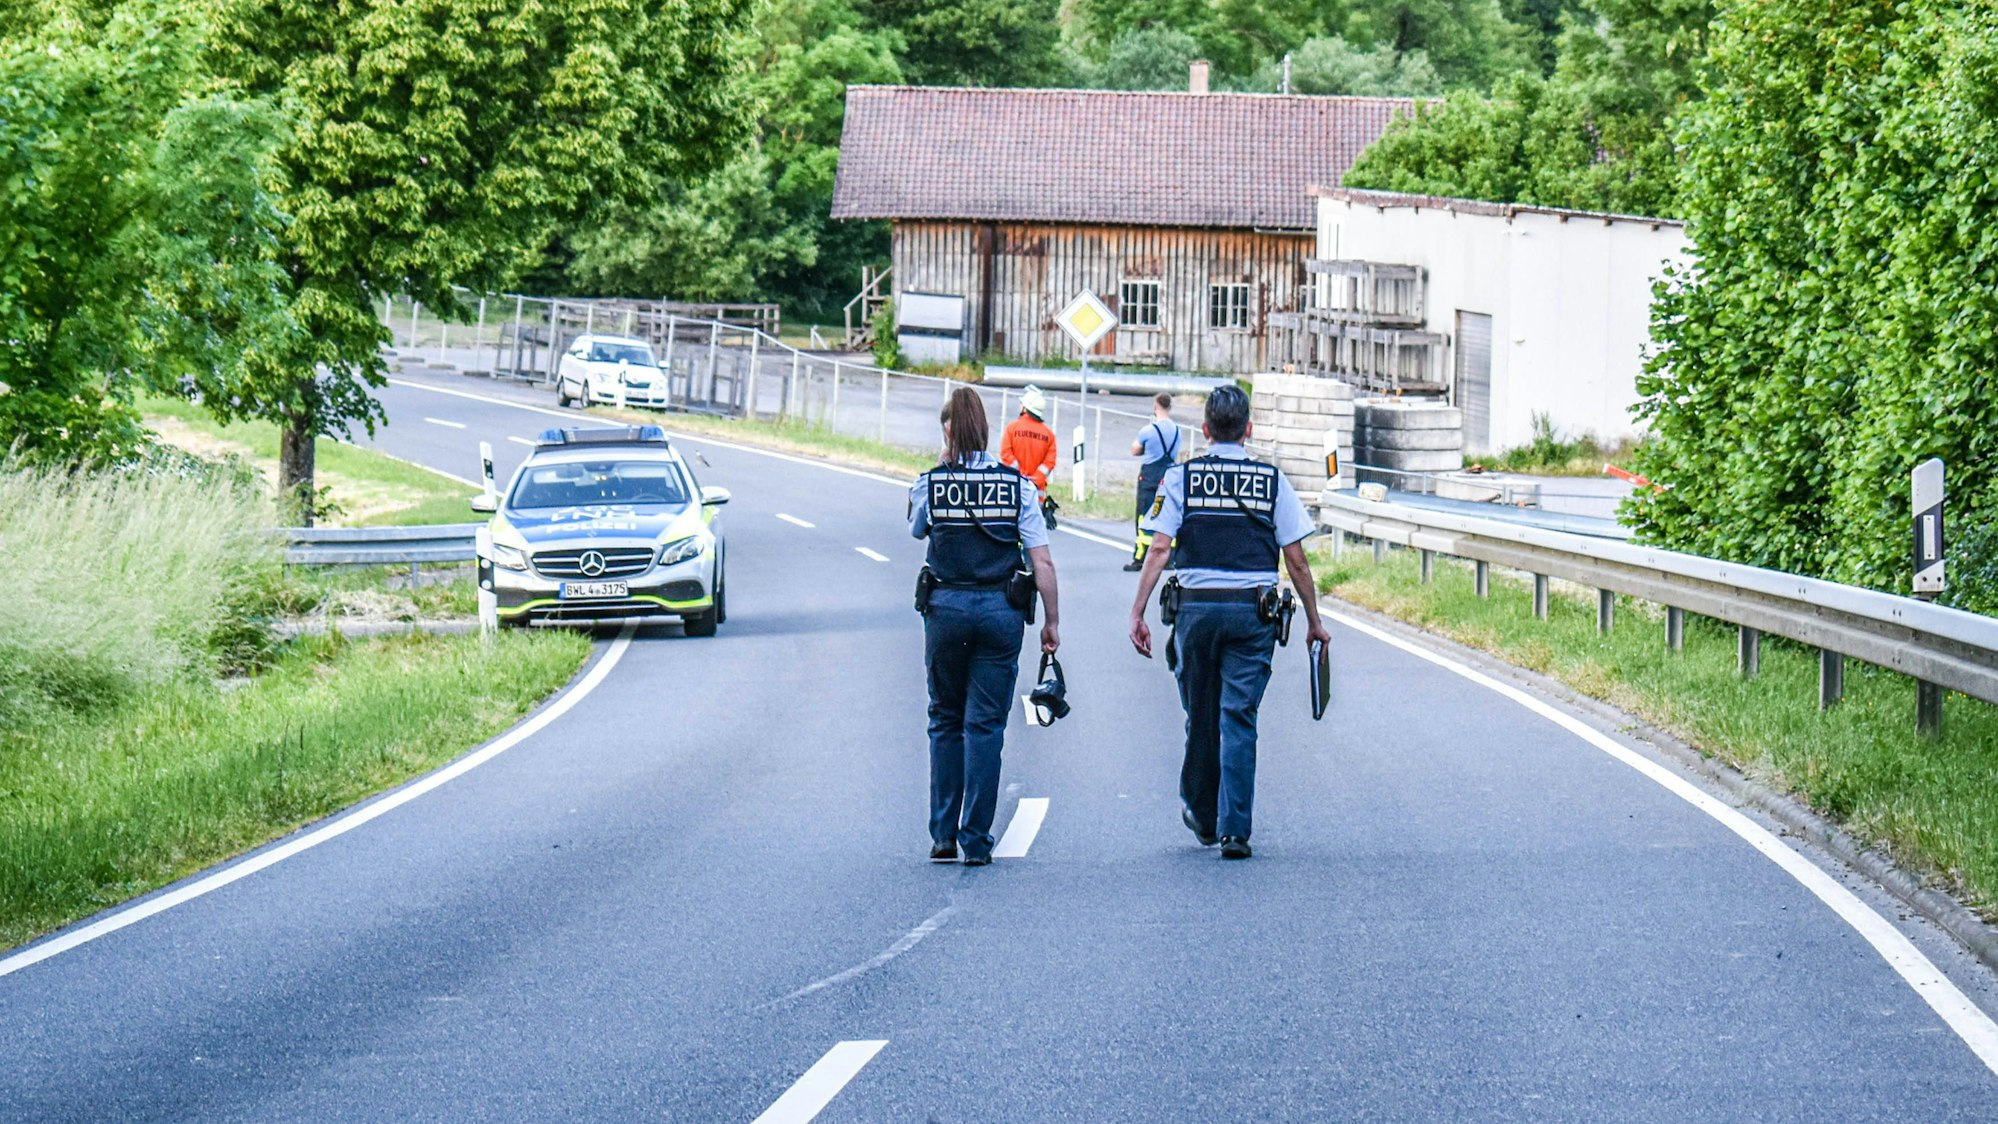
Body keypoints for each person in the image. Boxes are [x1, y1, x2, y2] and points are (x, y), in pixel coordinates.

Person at [1126, 385, 1330, 860]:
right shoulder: (1271, 481)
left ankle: (1201, 813)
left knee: (1201, 712)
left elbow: (1158, 548)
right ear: (1249, 429)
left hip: (1195, 612)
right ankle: (1234, 830)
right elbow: (1295, 558)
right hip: (1252, 613)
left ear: (1205, 431)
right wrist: (1314, 622)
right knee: (1238, 716)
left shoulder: (1181, 478)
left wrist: (1138, 611)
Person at [911, 386, 1062, 866]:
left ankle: (942, 835)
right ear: (988, 431)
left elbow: (917, 529)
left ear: (949, 430)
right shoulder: (1016, 487)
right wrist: (1051, 623)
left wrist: (943, 461)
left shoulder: (931, 483)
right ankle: (976, 839)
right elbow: (1042, 561)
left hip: (946, 609)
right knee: (985, 726)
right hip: (1000, 614)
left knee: (945, 719)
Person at [1124, 392, 1181, 572]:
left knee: (1145, 515)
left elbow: (1135, 450)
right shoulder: (1177, 430)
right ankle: (1170, 558)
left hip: (1149, 476)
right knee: (1168, 514)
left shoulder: (1148, 430)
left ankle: (1141, 557)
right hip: (1169, 476)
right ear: (1170, 407)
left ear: (1155, 407)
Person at [999, 385, 1057, 513]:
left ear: (1025, 408)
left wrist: (1021, 476)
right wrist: (1035, 479)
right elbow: (1049, 463)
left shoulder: (1012, 428)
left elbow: (1006, 454)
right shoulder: (1049, 434)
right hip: (1036, 494)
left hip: (1014, 489)